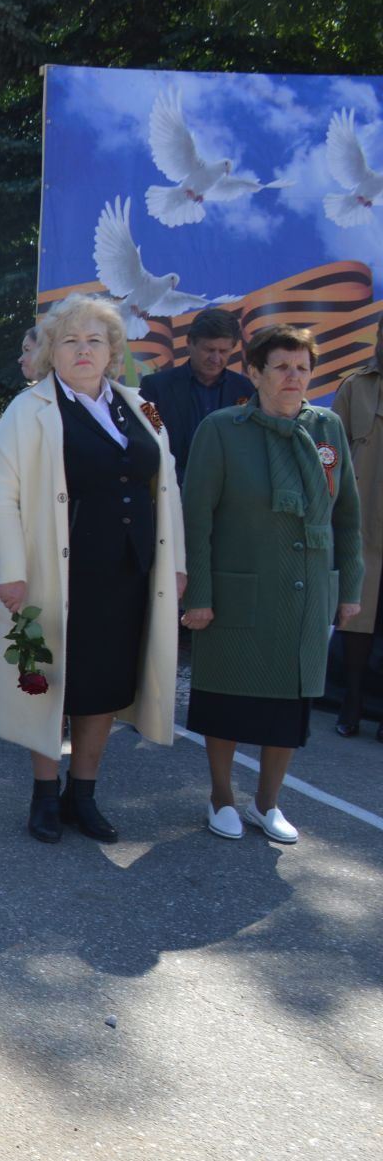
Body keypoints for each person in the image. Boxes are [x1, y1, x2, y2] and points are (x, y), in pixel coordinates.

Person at [0, 294, 185, 844]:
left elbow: (167, 489)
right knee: (51, 683)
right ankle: (45, 795)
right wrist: (13, 572)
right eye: (70, 340)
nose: (84, 349)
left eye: (95, 339)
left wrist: (177, 566)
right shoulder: (30, 409)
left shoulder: (144, 408)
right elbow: (1, 495)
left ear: (114, 350)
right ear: (52, 351)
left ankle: (83, 794)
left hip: (129, 574)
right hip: (57, 573)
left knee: (107, 686)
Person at [182, 326, 364, 843]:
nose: (293, 377)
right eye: (282, 366)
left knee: (288, 708)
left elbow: (347, 515)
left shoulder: (326, 428)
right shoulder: (222, 429)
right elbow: (198, 519)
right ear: (256, 373)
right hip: (239, 590)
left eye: (302, 368)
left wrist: (349, 588)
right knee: (229, 699)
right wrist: (198, 594)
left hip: (306, 594)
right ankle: (221, 798)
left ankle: (267, 803)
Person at [140, 307, 256, 484]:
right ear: (189, 343)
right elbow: (150, 440)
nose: (216, 358)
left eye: (224, 351)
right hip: (174, 493)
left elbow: (250, 447)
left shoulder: (246, 390)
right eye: (209, 349)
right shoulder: (154, 388)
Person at [330, 352, 381, 739]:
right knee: (356, 609)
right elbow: (329, 450)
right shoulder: (354, 386)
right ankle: (352, 699)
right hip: (361, 513)